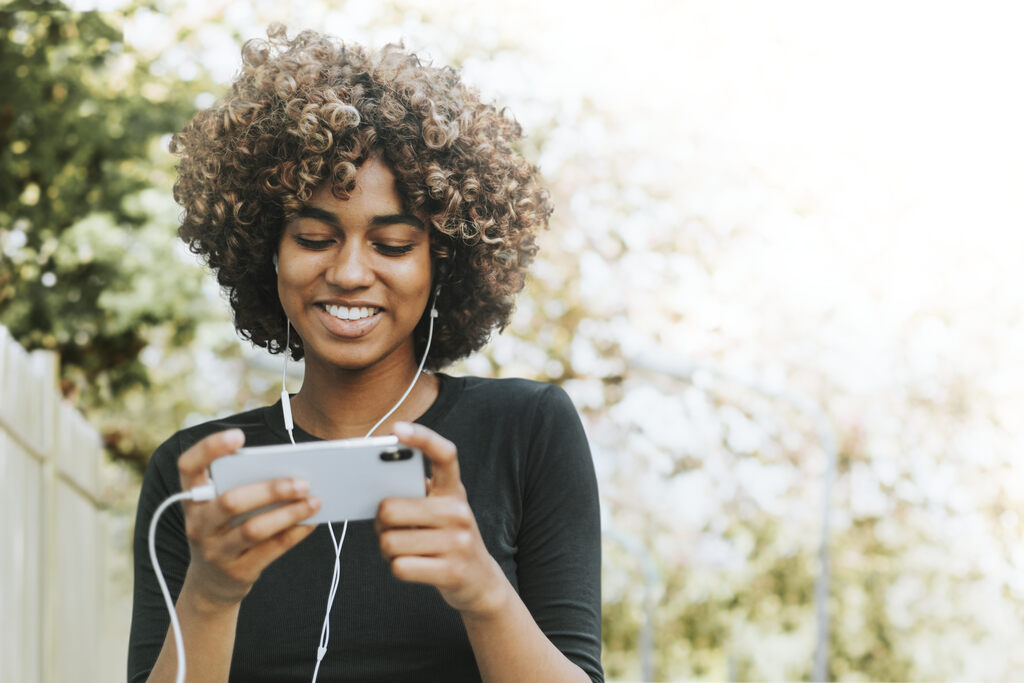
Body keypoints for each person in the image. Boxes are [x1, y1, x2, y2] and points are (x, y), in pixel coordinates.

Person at [127, 24, 603, 683]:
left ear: (444, 261)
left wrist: (482, 588)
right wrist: (209, 594)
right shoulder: (197, 478)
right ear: (268, 251)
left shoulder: (527, 431)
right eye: (316, 236)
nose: (350, 272)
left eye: (393, 244)